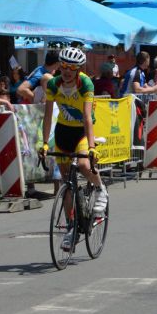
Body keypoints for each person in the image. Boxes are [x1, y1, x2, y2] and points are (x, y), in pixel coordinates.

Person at [39, 46, 107, 249]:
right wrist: (43, 143)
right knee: (66, 184)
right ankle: (72, 229)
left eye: (72, 67)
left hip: (81, 132)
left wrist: (92, 146)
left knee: (85, 165)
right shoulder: (53, 83)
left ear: (78, 69)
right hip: (62, 132)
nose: (67, 70)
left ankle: (100, 188)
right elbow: (48, 115)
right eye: (64, 66)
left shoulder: (85, 83)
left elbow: (87, 117)